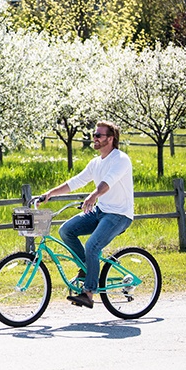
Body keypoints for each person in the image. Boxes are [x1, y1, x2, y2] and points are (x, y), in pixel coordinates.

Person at [39, 121, 134, 309]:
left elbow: (108, 182)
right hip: (101, 211)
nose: (95, 138)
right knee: (66, 230)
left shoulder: (121, 159)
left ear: (110, 138)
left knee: (92, 245)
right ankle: (87, 269)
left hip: (119, 214)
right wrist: (51, 193)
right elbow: (76, 181)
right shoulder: (96, 163)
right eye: (94, 135)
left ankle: (89, 293)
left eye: (99, 135)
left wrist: (93, 195)